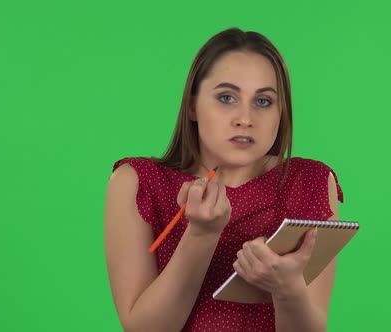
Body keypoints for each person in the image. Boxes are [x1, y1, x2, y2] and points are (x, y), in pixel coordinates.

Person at [103, 27, 344, 332]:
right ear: (192, 105)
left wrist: (287, 290)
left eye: (264, 101)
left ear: (281, 112)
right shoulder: (137, 182)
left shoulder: (311, 182)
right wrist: (201, 235)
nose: (245, 118)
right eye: (226, 97)